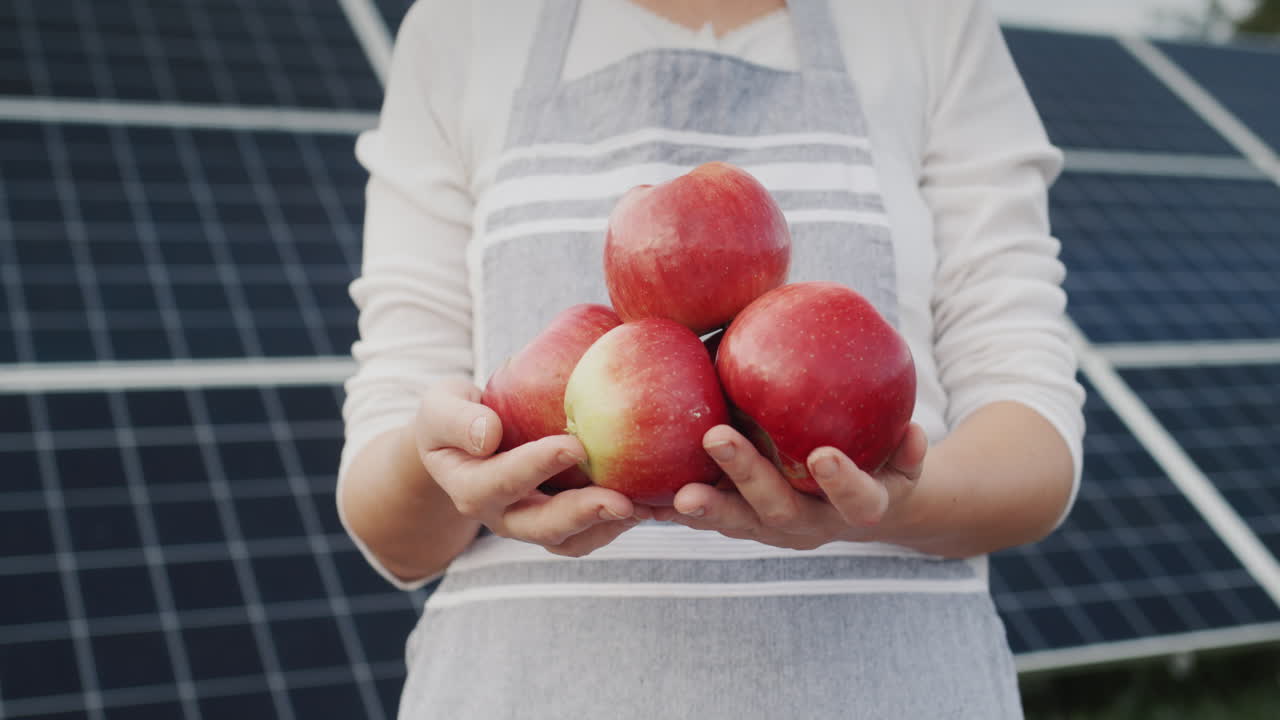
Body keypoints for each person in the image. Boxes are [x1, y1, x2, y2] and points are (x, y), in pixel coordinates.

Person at [338, 0, 1085, 716]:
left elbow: (1035, 451)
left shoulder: (929, 18)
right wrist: (447, 460)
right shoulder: (460, 26)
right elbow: (392, 529)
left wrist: (881, 505)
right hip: (520, 689)